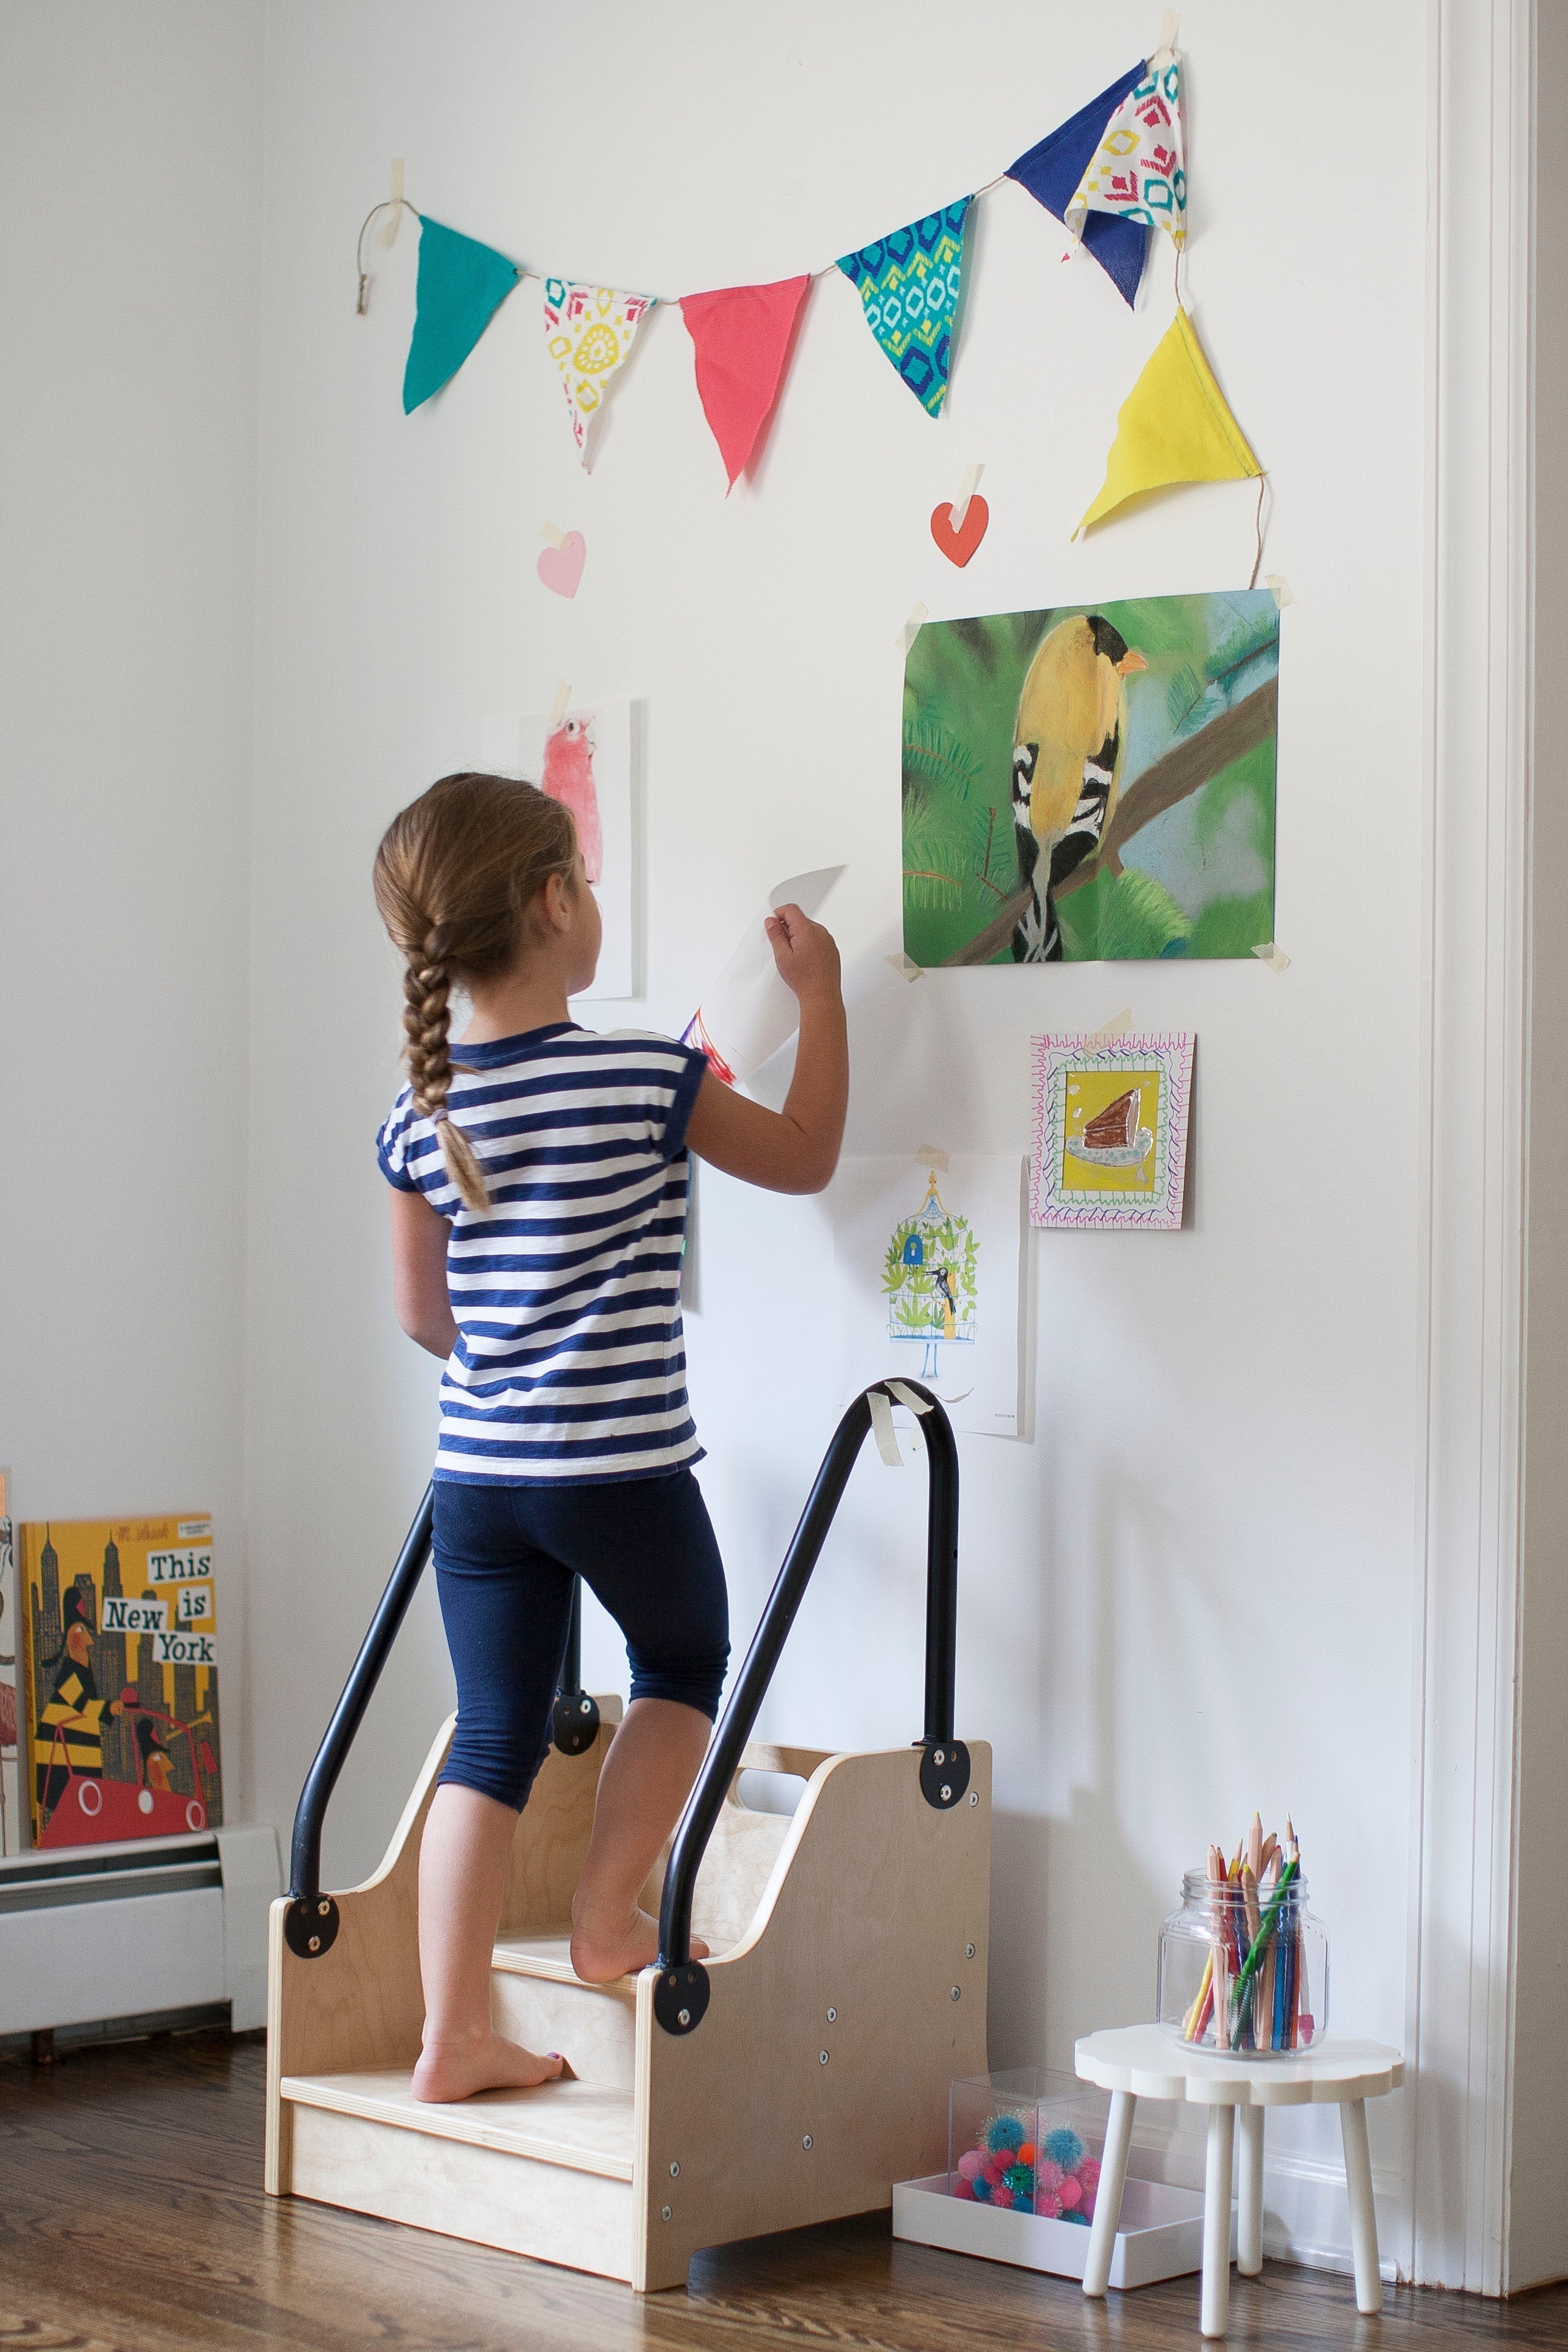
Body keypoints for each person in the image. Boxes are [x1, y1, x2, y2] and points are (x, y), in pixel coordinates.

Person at [372, 771, 848, 2103]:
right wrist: (820, 1002)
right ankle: (601, 1916)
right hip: (620, 1469)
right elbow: (807, 1154)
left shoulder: (420, 1113)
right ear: (554, 901)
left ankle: (450, 2035)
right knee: (684, 1661)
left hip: (477, 1481)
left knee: (491, 1737)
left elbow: (424, 1321)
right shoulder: (646, 1075)